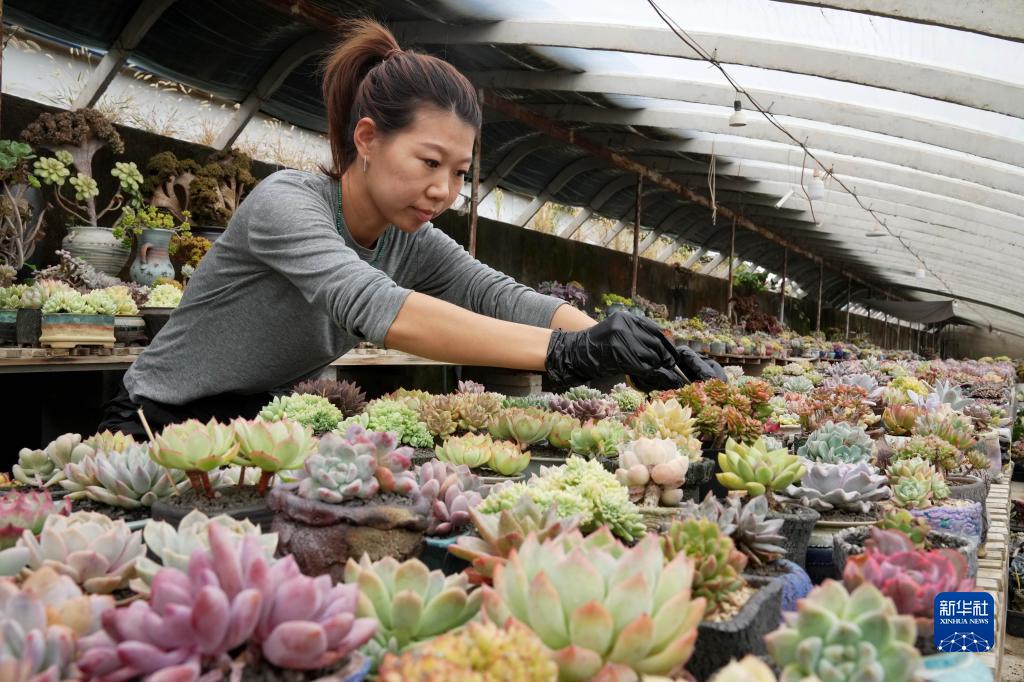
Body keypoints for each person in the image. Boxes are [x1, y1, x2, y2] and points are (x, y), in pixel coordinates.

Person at [98, 18, 718, 438]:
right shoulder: (287, 203)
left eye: (458, 172)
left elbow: (498, 295)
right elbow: (374, 305)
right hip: (158, 420)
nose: (443, 191)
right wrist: (567, 354)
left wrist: (637, 345)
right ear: (367, 138)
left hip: (262, 424)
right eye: (428, 163)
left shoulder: (408, 236)